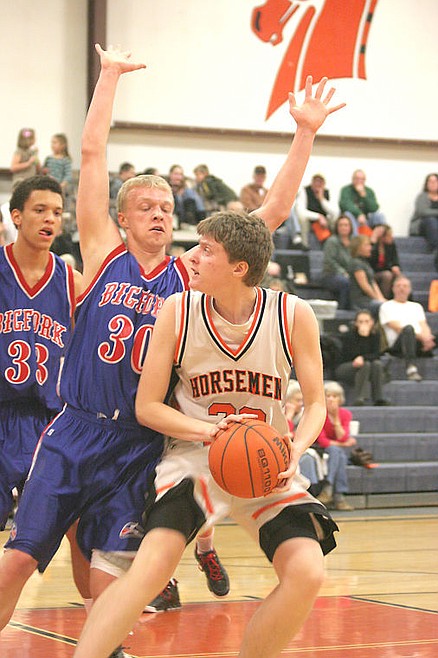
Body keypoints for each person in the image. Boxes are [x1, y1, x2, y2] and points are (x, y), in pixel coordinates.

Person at [0, 44, 345, 655]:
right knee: (19, 562)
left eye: (166, 207)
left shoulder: (190, 277)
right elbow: (92, 154)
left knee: (112, 582)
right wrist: (109, 77)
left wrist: (304, 135)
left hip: (141, 442)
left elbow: (268, 216)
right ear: (122, 218)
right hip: (77, 428)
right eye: (145, 207)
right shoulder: (102, 252)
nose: (159, 214)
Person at [73, 211, 340, 658]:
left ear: (239, 268)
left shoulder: (293, 314)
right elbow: (147, 407)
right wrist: (209, 431)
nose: (192, 257)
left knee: (307, 573)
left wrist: (296, 448)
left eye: (206, 250)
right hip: (195, 457)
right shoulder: (178, 310)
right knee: (151, 570)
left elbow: (315, 404)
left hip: (265, 463)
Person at [0, 174, 91, 608]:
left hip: (51, 424)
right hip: (2, 416)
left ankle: (103, 629)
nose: (50, 219)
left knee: (80, 528)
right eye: (40, 210)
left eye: (57, 212)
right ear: (16, 216)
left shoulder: (72, 281)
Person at [379, 276, 436, 382]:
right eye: (398, 286)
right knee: (408, 329)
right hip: (399, 345)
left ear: (409, 289)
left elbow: (423, 325)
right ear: (393, 289)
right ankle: (411, 368)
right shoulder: (386, 306)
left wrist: (428, 338)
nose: (402, 289)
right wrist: (423, 338)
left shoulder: (416, 306)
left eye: (405, 286)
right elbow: (397, 328)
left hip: (419, 343)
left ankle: (425, 349)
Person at [335, 310, 390, 406]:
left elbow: (377, 354)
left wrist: (363, 357)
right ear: (356, 323)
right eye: (360, 322)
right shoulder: (349, 335)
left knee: (376, 364)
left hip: (366, 366)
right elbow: (348, 356)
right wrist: (362, 338)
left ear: (372, 322)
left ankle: (378, 398)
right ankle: (360, 397)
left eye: (366, 321)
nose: (363, 324)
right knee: (366, 364)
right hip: (346, 367)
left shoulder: (375, 335)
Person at [315, 381, 356, 511]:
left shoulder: (345, 414)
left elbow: (342, 436)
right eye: (328, 396)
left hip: (335, 452)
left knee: (338, 454)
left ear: (340, 399)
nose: (331, 399)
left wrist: (336, 419)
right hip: (319, 449)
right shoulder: (319, 413)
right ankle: (339, 498)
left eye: (335, 396)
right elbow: (323, 441)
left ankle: (328, 488)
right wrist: (343, 444)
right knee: (337, 452)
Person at [295, 173, 337, 248]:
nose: (317, 184)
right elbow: (301, 212)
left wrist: (321, 199)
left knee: (336, 219)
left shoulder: (328, 192)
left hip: (325, 221)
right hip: (310, 220)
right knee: (303, 219)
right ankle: (305, 245)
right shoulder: (304, 191)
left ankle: (334, 244)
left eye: (320, 182)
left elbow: (335, 212)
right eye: (316, 182)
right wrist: (318, 217)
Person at [339, 169, 387, 235]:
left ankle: (377, 239)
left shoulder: (369, 191)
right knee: (347, 214)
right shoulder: (346, 190)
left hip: (366, 219)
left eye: (362, 179)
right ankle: (355, 239)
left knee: (380, 215)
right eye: (357, 179)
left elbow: (374, 208)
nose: (359, 181)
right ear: (352, 179)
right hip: (353, 219)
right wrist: (359, 214)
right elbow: (344, 205)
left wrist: (364, 195)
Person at [322, 214, 354, 310]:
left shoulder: (354, 241)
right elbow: (330, 261)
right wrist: (343, 272)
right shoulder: (332, 241)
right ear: (337, 227)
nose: (344, 227)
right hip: (331, 275)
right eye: (341, 225)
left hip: (350, 273)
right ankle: (342, 309)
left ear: (350, 227)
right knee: (345, 282)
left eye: (346, 225)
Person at [348, 234, 386, 315]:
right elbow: (365, 286)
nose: (370, 248)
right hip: (361, 301)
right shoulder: (356, 263)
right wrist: (377, 299)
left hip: (371, 299)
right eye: (367, 245)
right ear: (358, 248)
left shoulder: (365, 263)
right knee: (384, 307)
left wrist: (381, 298)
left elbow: (372, 282)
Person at [409, 173, 438, 270]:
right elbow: (423, 212)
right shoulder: (422, 196)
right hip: (423, 225)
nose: (433, 184)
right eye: (430, 181)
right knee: (431, 220)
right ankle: (436, 247)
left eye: (435, 181)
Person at [167, 164, 206, 229]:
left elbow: (199, 204)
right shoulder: (165, 186)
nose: (178, 177)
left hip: (186, 216)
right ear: (170, 175)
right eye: (176, 174)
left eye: (180, 174)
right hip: (172, 215)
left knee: (190, 194)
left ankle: (196, 223)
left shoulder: (187, 189)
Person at [369, 224, 401, 299]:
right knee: (387, 275)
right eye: (389, 236)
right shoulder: (373, 246)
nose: (391, 237)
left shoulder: (391, 245)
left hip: (387, 270)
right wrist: (373, 241)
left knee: (401, 278)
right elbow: (370, 260)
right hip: (374, 272)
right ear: (382, 237)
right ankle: (384, 299)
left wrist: (395, 266)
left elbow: (395, 259)